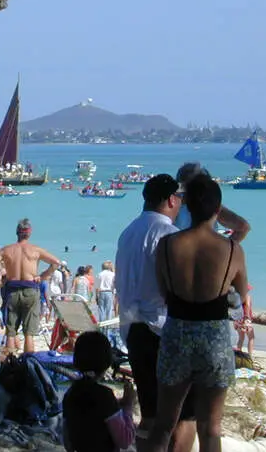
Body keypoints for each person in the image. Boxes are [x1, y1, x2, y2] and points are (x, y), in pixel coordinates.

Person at [148, 174, 248, 452]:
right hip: (214, 337)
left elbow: (164, 291)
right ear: (218, 210)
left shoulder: (167, 245)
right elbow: (241, 296)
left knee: (164, 424)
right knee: (211, 428)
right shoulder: (231, 249)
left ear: (187, 206)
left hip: (177, 331)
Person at [114, 174, 196, 449]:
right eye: (180, 200)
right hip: (162, 329)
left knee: (149, 413)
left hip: (133, 328)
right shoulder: (170, 235)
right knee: (184, 415)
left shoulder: (127, 233)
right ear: (172, 200)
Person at [0, 218, 60, 353]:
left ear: (17, 233)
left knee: (11, 331)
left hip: (12, 290)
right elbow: (56, 262)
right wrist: (42, 277)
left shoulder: (7, 250)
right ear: (29, 234)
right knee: (29, 333)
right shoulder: (35, 249)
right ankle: (28, 363)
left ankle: (10, 362)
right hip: (30, 289)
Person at [62, 331, 136, 452]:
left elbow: (67, 442)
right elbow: (125, 440)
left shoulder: (70, 394)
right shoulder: (105, 396)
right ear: (107, 362)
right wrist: (128, 405)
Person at [174, 162, 250, 240]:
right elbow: (243, 227)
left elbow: (243, 227)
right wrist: (225, 249)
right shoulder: (211, 205)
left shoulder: (173, 204)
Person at [235, 285, 255, 357]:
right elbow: (247, 305)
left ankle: (237, 354)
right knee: (251, 337)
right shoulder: (247, 296)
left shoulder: (238, 297)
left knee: (241, 338)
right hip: (245, 319)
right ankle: (250, 355)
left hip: (238, 319)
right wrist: (247, 317)